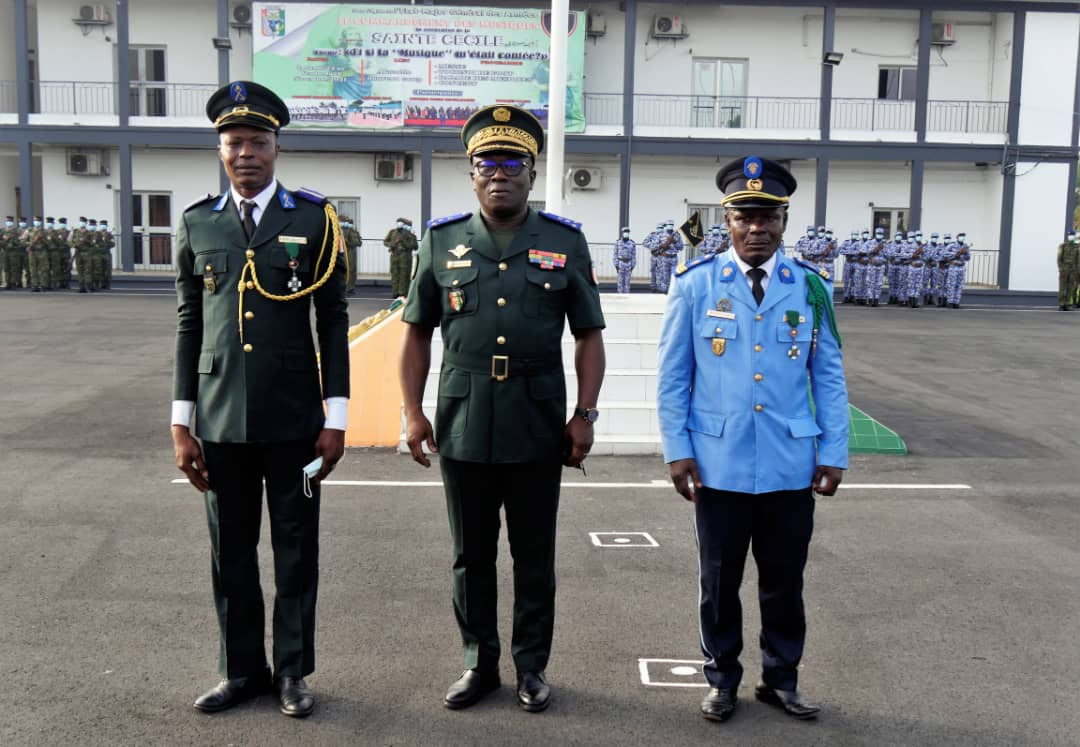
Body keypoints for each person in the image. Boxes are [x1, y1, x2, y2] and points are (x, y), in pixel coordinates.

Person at [399, 104, 606, 714]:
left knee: (534, 553)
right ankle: (478, 663)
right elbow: (414, 332)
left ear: (530, 171)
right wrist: (412, 411)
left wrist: (585, 415)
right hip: (462, 421)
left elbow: (589, 334)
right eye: (486, 161)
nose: (499, 173)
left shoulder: (563, 242)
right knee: (471, 556)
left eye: (512, 161)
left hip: (539, 424)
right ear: (471, 172)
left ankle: (532, 667)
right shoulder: (442, 240)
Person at [171, 80, 350, 719]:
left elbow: (332, 319)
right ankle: (240, 670)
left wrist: (337, 417)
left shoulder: (313, 220)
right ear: (221, 150)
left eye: (258, 142)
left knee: (296, 550)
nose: (246, 153)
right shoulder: (197, 221)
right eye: (234, 142)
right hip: (219, 421)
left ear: (277, 148)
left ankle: (293, 674)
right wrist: (181, 420)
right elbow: (190, 323)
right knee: (231, 554)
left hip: (296, 422)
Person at [657, 156, 848, 725]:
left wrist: (834, 452)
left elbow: (829, 375)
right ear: (728, 220)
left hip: (791, 461)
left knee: (784, 581)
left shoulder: (811, 288)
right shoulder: (696, 286)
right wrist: (677, 449)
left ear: (784, 222)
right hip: (717, 462)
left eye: (768, 217)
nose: (756, 228)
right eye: (745, 216)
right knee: (719, 581)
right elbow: (674, 375)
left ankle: (780, 679)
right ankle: (721, 678)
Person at [384, 217, 418, 297]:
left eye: (401, 222)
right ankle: (395, 292)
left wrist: (404, 242)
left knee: (404, 275)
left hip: (405, 257)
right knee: (394, 275)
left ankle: (402, 292)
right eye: (398, 222)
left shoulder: (409, 234)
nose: (399, 224)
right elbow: (385, 242)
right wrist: (392, 244)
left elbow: (414, 246)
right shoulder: (392, 232)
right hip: (394, 257)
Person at [946, 232, 971, 309]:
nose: (962, 238)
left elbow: (968, 258)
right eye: (961, 236)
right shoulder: (951, 245)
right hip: (954, 267)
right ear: (957, 237)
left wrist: (966, 253)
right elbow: (945, 254)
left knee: (959, 285)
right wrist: (956, 253)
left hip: (961, 267)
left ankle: (956, 302)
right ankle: (950, 302)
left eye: (963, 236)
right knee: (952, 285)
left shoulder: (965, 246)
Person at [339, 215, 361, 295]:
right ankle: (344, 287)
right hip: (344, 252)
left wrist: (348, 242)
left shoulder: (354, 231)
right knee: (345, 270)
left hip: (352, 252)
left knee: (352, 271)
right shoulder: (341, 231)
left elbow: (359, 243)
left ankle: (351, 287)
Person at [1058, 231, 1079, 310]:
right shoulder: (1063, 246)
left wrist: (1077, 271)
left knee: (1070, 287)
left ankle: (1067, 304)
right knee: (1062, 287)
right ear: (1068, 236)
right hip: (1064, 269)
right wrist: (1061, 269)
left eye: (1073, 235)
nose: (1071, 237)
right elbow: (1059, 258)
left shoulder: (1077, 247)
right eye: (1070, 235)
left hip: (1073, 270)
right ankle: (1061, 304)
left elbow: (1078, 260)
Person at [614, 225, 636, 293]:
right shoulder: (618, 243)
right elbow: (615, 254)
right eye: (625, 232)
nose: (626, 233)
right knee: (620, 281)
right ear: (622, 233)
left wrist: (632, 265)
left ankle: (627, 296)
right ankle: (620, 296)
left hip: (628, 263)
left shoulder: (632, 243)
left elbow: (634, 255)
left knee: (627, 281)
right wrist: (616, 265)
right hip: (620, 263)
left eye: (627, 232)